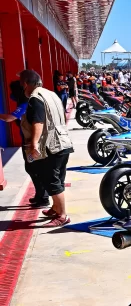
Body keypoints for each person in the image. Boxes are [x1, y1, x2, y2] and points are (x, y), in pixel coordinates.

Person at [18, 69, 74, 227]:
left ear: (26, 84)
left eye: (22, 85)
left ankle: (62, 215)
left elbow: (38, 121)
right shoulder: (51, 94)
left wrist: (34, 143)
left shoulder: (35, 99)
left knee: (51, 180)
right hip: (62, 142)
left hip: (51, 146)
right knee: (57, 178)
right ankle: (56, 208)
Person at [0, 80, 49, 207]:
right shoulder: (24, 102)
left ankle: (43, 198)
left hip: (31, 143)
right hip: (28, 141)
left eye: (13, 91)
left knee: (34, 169)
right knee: (32, 168)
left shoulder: (25, 104)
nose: (11, 94)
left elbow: (9, 118)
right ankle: (40, 195)